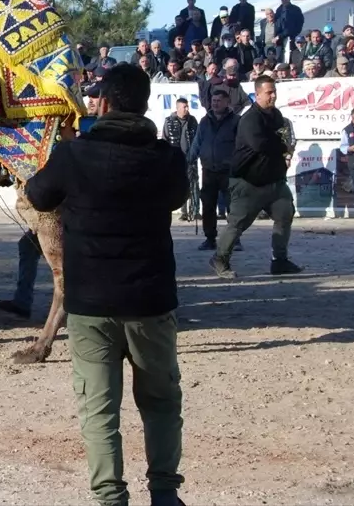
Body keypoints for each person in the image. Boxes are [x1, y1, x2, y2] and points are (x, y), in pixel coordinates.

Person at [24, 63, 187, 506]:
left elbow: (38, 195)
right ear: (146, 103)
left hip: (91, 304)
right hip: (150, 300)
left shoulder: (73, 155)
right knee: (160, 402)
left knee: (99, 409)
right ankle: (166, 494)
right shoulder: (167, 157)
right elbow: (177, 198)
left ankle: (109, 497)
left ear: (104, 102)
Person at [210, 77, 301, 279]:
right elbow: (262, 145)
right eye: (269, 92)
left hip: (274, 181)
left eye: (274, 91)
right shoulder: (250, 119)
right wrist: (283, 146)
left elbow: (285, 138)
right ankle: (219, 258)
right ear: (257, 94)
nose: (273, 95)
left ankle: (279, 261)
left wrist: (284, 148)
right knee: (237, 224)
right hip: (248, 181)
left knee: (285, 214)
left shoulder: (276, 115)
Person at [187, 89, 242, 252]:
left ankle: (235, 240)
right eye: (213, 100)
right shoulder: (204, 121)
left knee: (233, 206)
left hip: (229, 171)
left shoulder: (236, 121)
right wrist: (189, 160)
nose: (215, 103)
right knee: (208, 205)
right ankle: (210, 238)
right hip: (208, 170)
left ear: (227, 102)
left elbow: (242, 146)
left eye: (219, 100)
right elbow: (197, 142)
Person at [161, 99, 198, 222]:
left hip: (190, 158)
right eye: (184, 107)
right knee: (179, 185)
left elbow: (198, 139)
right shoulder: (169, 121)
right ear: (177, 108)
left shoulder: (192, 121)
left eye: (187, 106)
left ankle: (195, 210)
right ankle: (183, 212)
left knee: (193, 184)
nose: (187, 109)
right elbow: (165, 139)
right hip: (176, 159)